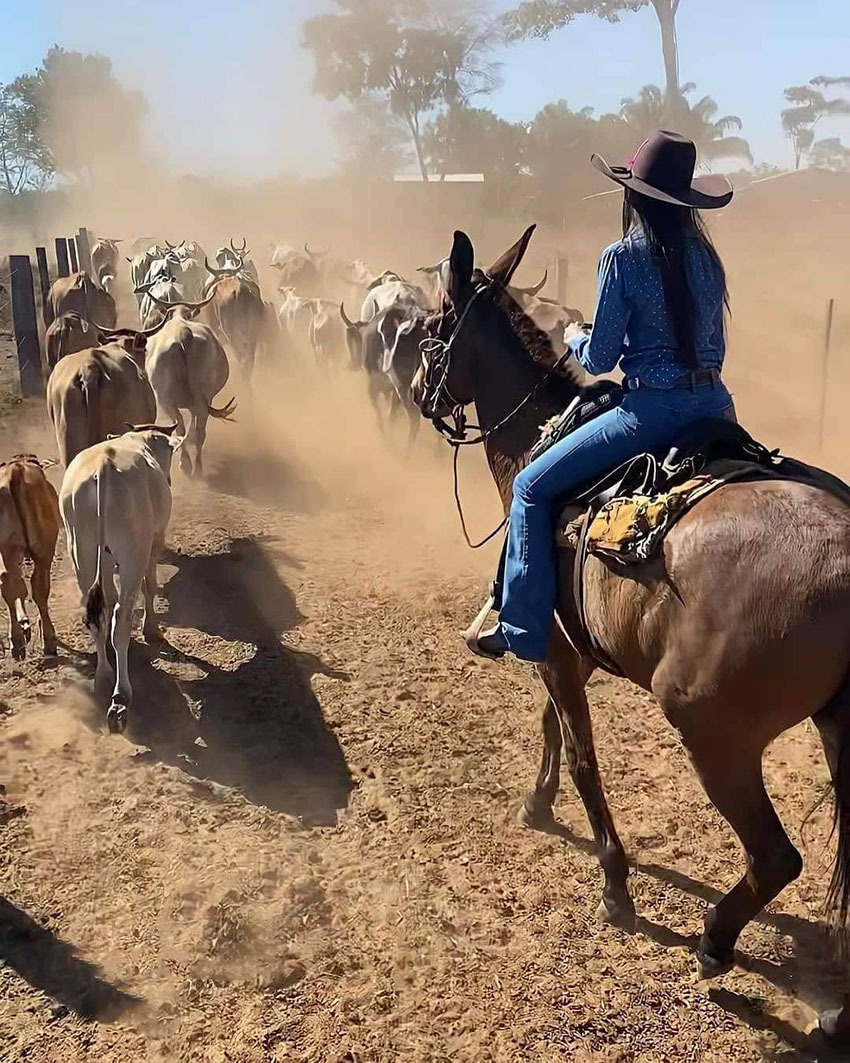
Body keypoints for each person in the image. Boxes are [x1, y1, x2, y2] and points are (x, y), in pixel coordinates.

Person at [472, 130, 737, 662]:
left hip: (652, 413)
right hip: (716, 406)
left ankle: (521, 628)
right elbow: (714, 346)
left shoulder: (622, 257)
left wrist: (574, 335)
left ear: (632, 195)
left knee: (528, 487)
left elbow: (598, 360)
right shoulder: (707, 259)